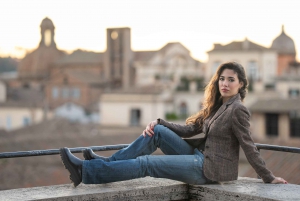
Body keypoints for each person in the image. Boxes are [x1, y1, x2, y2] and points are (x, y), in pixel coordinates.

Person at [59, 61, 288, 187]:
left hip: (208, 169)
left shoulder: (238, 109)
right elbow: (190, 130)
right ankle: (108, 163)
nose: (225, 83)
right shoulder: (218, 106)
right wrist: (160, 122)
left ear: (241, 84)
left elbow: (249, 145)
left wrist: (268, 176)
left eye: (231, 80)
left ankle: (86, 172)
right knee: (157, 132)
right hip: (198, 156)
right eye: (221, 78)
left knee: (148, 164)